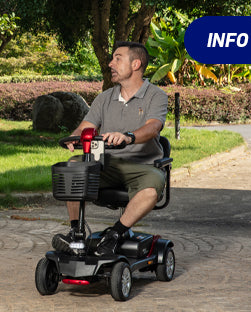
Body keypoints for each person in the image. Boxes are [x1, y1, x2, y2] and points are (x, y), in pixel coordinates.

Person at [52, 41, 168, 257]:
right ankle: (76, 233)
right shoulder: (105, 98)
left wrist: (128, 137)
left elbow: (153, 127)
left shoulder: (156, 95)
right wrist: (75, 136)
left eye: (117, 58)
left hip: (141, 166)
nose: (110, 63)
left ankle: (114, 234)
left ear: (136, 64)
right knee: (73, 169)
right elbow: (85, 127)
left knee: (152, 188)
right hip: (106, 163)